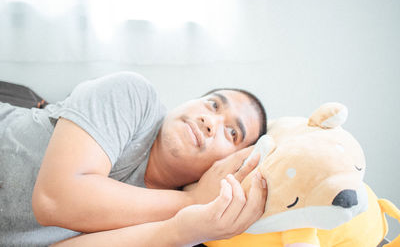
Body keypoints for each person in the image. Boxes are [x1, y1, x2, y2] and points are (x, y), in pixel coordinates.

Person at [0, 71, 267, 246]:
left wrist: (179, 230)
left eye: (232, 133)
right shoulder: (135, 96)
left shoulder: (184, 222)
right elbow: (54, 199)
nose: (210, 121)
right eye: (213, 104)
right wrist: (191, 201)